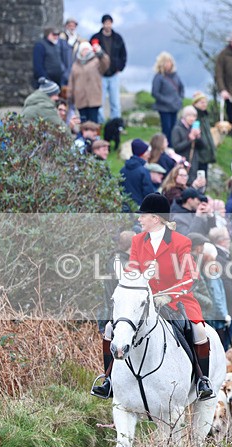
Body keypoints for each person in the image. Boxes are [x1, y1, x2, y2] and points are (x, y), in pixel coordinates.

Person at [126, 193, 215, 399]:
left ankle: (203, 380)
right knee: (114, 328)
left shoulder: (181, 242)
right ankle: (108, 379)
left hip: (177, 301)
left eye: (143, 215)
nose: (139, 219)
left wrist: (168, 296)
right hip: (144, 301)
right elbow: (132, 270)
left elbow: (189, 278)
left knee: (199, 331)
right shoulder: (138, 241)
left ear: (155, 218)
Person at [91, 230, 133, 399]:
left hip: (129, 311)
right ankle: (108, 380)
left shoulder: (129, 260)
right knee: (109, 332)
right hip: (117, 312)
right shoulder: (117, 262)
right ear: (133, 244)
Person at [91, 14, 127, 121]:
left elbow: (123, 54)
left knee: (115, 102)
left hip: (113, 74)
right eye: (106, 23)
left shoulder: (117, 38)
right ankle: (101, 123)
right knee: (100, 102)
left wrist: (119, 68)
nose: (108, 25)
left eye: (109, 23)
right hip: (100, 74)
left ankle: (116, 124)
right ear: (103, 24)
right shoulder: (95, 38)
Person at [68, 41, 110, 124]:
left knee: (94, 122)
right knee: (83, 122)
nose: (85, 51)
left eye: (87, 49)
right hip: (80, 99)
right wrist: (70, 97)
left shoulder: (97, 61)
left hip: (93, 98)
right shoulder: (75, 65)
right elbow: (71, 82)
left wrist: (100, 53)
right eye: (83, 50)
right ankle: (84, 137)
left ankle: (94, 136)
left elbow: (106, 64)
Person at [152, 52, 185, 142]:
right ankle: (165, 146)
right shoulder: (158, 77)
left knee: (174, 128)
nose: (169, 64)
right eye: (166, 62)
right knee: (166, 129)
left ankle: (173, 145)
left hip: (175, 107)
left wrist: (180, 98)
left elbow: (181, 87)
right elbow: (155, 93)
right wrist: (167, 101)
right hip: (164, 108)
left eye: (170, 62)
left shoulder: (175, 76)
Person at [121, 138, 155, 211]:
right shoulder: (143, 171)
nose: (149, 155)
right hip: (140, 209)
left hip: (125, 208)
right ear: (142, 154)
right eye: (147, 152)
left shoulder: (122, 170)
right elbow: (148, 193)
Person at [192, 91, 217, 179]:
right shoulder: (194, 116)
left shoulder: (205, 116)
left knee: (204, 177)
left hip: (206, 152)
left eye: (205, 102)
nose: (204, 104)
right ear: (195, 103)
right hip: (199, 153)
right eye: (202, 102)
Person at [170, 106, 204, 172]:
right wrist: (189, 140)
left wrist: (198, 137)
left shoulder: (194, 128)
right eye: (190, 116)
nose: (192, 119)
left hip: (193, 162)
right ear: (184, 116)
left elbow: (202, 147)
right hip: (181, 163)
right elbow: (176, 147)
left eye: (194, 116)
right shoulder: (177, 129)